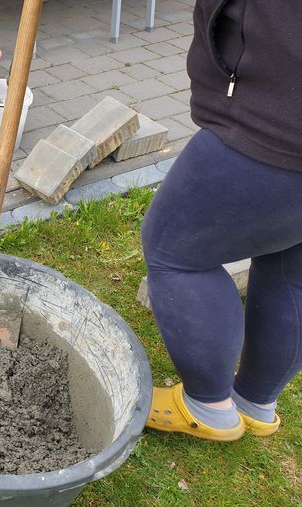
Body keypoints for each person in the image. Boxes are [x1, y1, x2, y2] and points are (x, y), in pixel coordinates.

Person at [140, 0, 302, 441]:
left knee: (176, 250)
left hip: (276, 123)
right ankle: (255, 400)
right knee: (290, 264)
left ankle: (208, 405)